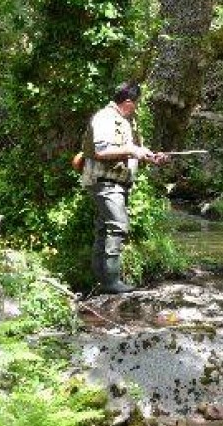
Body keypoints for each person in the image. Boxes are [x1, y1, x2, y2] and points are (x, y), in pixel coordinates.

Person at [81, 81, 167, 294]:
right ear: (128, 102)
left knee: (104, 227)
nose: (136, 107)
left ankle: (102, 280)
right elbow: (102, 152)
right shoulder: (105, 118)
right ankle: (111, 281)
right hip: (104, 181)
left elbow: (128, 151)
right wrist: (132, 150)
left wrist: (150, 156)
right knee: (118, 226)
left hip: (116, 181)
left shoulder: (124, 120)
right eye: (135, 103)